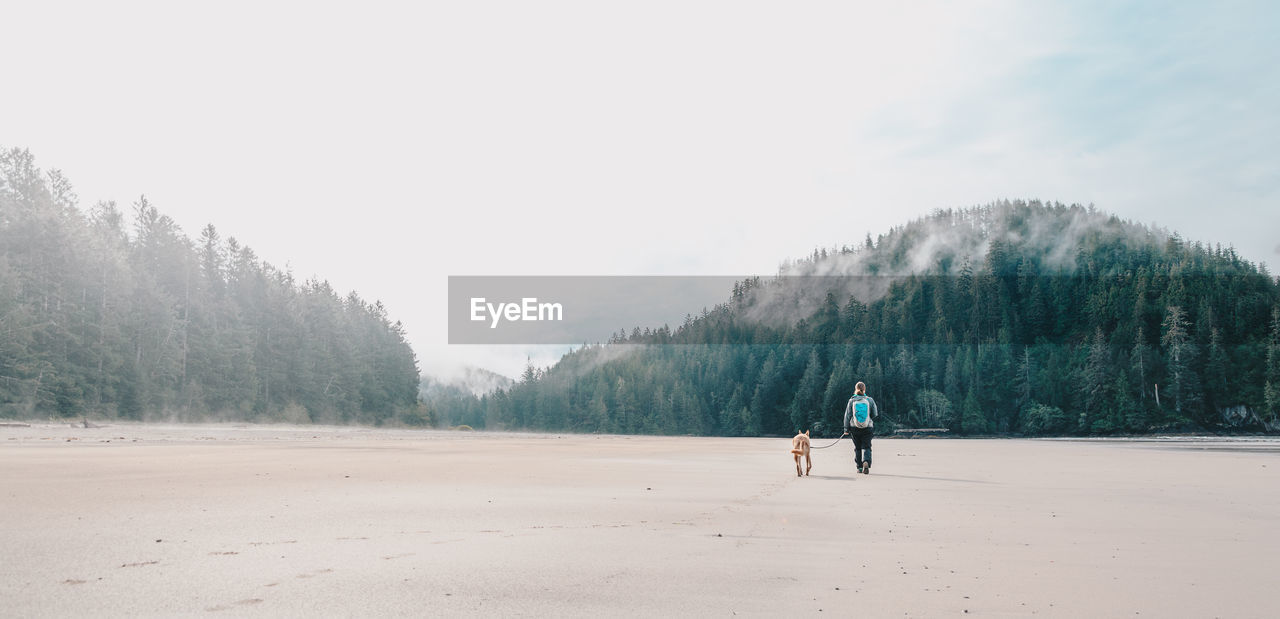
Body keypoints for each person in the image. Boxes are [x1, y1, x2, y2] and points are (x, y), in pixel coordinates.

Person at [843, 381, 878, 474]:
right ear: (864, 389)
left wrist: (846, 429)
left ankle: (859, 467)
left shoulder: (852, 401)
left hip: (854, 428)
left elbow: (847, 416)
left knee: (857, 448)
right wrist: (868, 418)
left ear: (856, 389)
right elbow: (875, 414)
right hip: (868, 427)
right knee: (867, 446)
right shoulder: (870, 400)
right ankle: (866, 461)